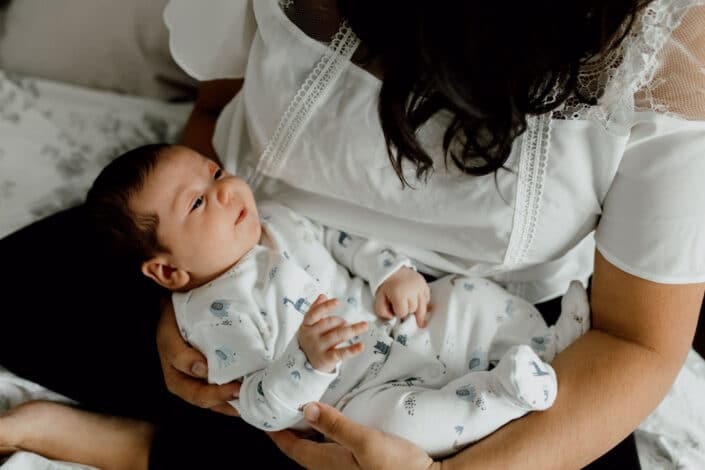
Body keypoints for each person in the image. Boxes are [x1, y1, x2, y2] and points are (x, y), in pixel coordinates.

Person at [1, 0, 704, 469]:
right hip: (251, 271)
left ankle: (146, 446)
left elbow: (639, 341)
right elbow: (215, 111)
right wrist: (192, 290)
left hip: (476, 331)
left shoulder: (670, 44)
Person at [80, 143, 585, 458]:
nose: (227, 192)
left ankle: (548, 342)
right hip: (357, 394)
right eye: (196, 203)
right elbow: (258, 406)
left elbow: (345, 239)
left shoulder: (274, 217)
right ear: (168, 271)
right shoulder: (214, 320)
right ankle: (502, 394)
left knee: (468, 297)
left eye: (214, 175)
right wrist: (309, 361)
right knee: (405, 425)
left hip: (399, 323)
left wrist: (390, 271)